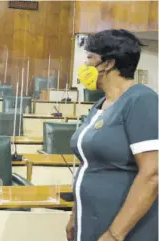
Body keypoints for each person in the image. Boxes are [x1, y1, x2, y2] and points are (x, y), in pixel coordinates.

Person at [67, 29, 158, 241]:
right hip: (91, 220)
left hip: (123, 227)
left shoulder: (142, 101)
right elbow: (89, 165)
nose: (85, 65)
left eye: (90, 58)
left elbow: (152, 175)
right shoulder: (101, 105)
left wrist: (114, 235)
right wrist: (75, 214)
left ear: (108, 64)